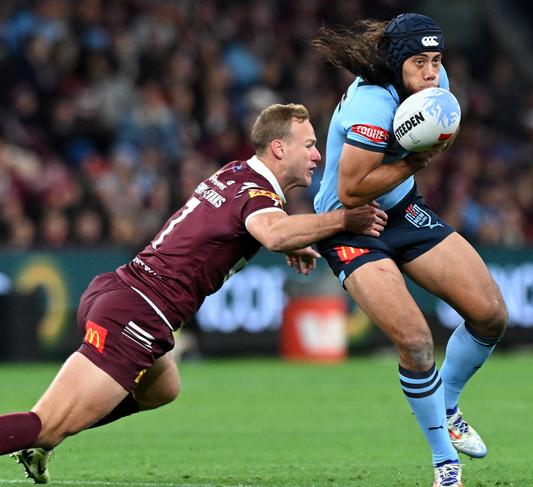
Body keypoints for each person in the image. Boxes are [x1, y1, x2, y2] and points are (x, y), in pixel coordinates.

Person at [0, 103, 388, 484]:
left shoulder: (235, 173)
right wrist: (343, 219)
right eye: (309, 144)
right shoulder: (256, 195)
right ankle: (46, 434)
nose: (317, 155)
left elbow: (234, 226)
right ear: (279, 148)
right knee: (43, 424)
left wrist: (291, 243)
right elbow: (273, 233)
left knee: (163, 388)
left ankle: (50, 433)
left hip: (116, 290)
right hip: (136, 314)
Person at [312, 13, 508, 487]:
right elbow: (354, 189)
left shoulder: (434, 84)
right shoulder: (371, 103)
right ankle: (445, 463)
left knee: (491, 314)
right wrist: (419, 159)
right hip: (348, 223)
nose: (431, 72)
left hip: (400, 211)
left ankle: (448, 404)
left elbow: (445, 121)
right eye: (420, 61)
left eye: (437, 60)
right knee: (417, 343)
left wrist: (430, 145)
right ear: (398, 62)